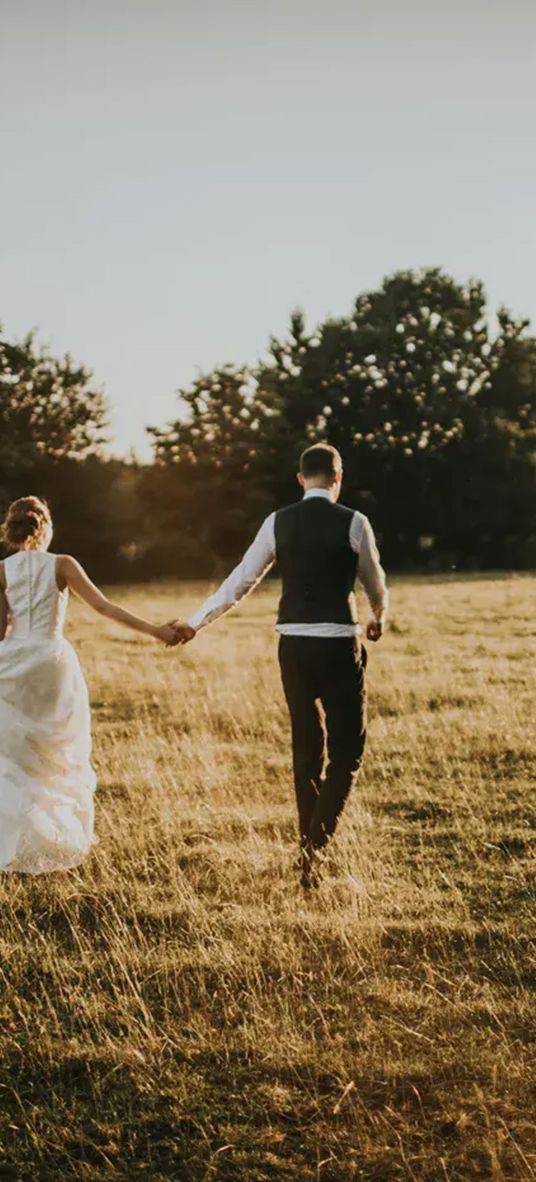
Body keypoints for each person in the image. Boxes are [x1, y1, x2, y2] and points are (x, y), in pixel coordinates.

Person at [172, 444, 389, 888]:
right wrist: (378, 617)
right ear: (338, 477)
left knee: (306, 750)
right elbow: (374, 581)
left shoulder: (278, 522)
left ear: (300, 478)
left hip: (293, 648)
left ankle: (308, 853)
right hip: (337, 646)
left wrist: (196, 623)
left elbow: (240, 581)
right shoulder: (355, 521)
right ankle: (314, 849)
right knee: (346, 753)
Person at [0, 496, 181, 874]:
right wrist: (155, 631)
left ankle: (15, 844)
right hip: (50, 661)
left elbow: (2, 630)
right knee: (56, 754)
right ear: (45, 528)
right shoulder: (62, 564)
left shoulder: (3, 570)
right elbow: (103, 607)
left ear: (11, 531)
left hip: (12, 663)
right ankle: (51, 839)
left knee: (14, 756)